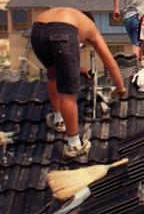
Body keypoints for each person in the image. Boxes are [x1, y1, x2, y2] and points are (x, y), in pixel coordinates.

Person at [31, 8, 126, 157]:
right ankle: (74, 144)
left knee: (53, 75)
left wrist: (76, 68)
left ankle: (57, 119)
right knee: (68, 92)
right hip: (62, 33)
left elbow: (60, 57)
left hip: (37, 31)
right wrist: (120, 88)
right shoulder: (91, 28)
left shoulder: (72, 16)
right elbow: (110, 62)